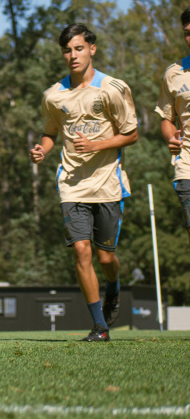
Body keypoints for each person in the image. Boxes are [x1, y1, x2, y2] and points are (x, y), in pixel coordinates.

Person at [30, 24, 138, 342]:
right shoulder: (54, 95)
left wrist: (96, 145)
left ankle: (113, 288)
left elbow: (131, 134)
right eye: (67, 50)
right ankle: (99, 326)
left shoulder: (113, 88)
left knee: (105, 257)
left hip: (107, 183)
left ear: (92, 48)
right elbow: (50, 133)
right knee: (81, 250)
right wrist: (42, 149)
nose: (72, 55)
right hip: (72, 184)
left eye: (78, 48)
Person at [155, 7, 190, 246]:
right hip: (188, 163)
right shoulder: (173, 73)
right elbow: (167, 119)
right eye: (187, 32)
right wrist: (171, 137)